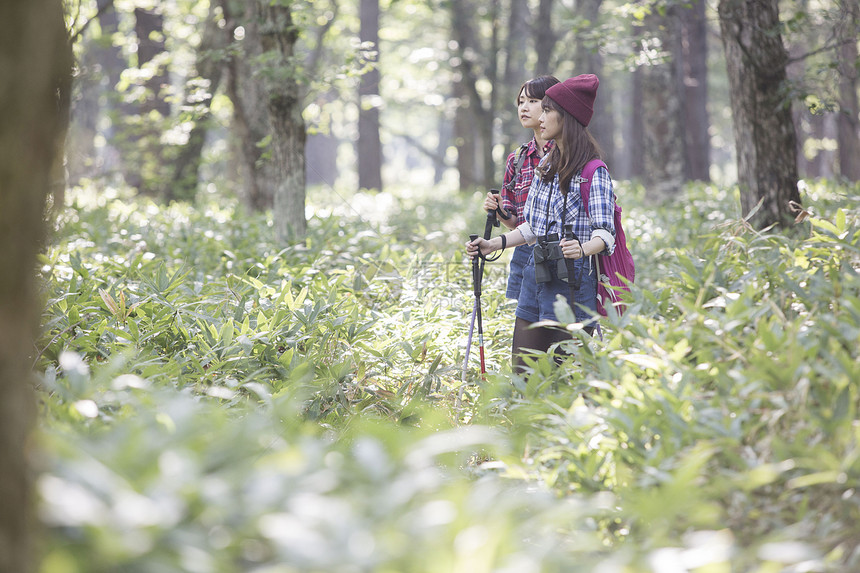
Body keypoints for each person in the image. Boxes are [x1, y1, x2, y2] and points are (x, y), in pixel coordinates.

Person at [467, 74, 616, 371]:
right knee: (523, 373)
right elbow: (532, 227)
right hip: (536, 279)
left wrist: (583, 248)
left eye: (547, 110)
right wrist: (492, 244)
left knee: (568, 375)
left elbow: (606, 234)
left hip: (574, 284)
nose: (540, 116)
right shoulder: (545, 166)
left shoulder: (593, 171)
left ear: (568, 116)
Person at [482, 75, 558, 370]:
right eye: (521, 102)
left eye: (533, 101)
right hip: (526, 251)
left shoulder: (567, 153)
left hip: (560, 253)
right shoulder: (518, 158)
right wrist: (500, 210)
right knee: (530, 326)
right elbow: (516, 222)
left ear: (553, 105)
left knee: (556, 327)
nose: (524, 108)